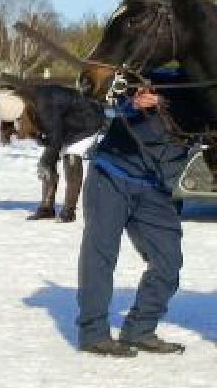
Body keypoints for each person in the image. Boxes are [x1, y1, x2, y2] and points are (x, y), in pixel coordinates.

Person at [75, 76, 190, 357]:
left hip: (157, 186)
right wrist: (129, 104)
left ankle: (140, 329)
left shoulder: (204, 91)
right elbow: (99, 108)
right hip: (111, 174)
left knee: (168, 261)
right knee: (100, 255)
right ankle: (94, 333)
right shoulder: (152, 72)